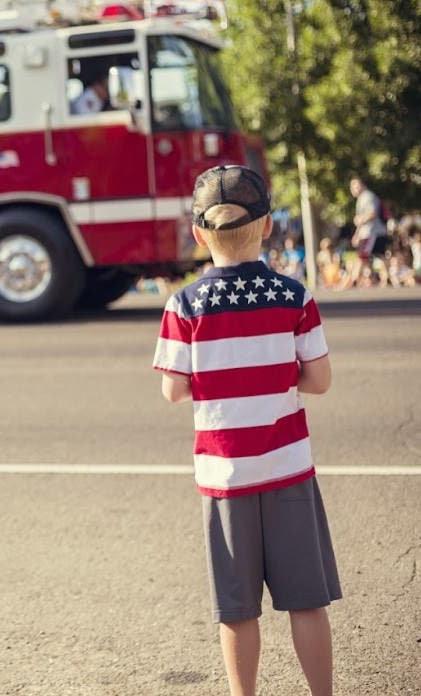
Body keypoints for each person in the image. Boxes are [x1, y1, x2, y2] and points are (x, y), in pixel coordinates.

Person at [153, 165, 341, 696]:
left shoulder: (184, 306)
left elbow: (172, 389)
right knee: (307, 600)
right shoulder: (293, 296)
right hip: (288, 469)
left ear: (197, 234)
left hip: (225, 476)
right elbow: (320, 381)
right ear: (265, 227)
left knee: (236, 610)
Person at [341, 177, 389, 288]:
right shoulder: (361, 198)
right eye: (352, 187)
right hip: (369, 231)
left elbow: (372, 213)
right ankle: (378, 279)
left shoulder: (368, 197)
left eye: (356, 186)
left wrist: (360, 219)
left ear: (363, 185)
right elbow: (361, 223)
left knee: (362, 256)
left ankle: (352, 280)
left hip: (372, 232)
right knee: (377, 255)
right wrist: (356, 234)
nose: (354, 189)